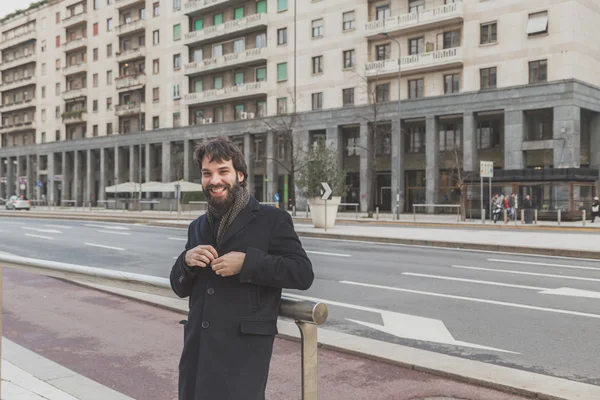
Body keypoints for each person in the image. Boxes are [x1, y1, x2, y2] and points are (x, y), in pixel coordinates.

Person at [170, 137, 314, 400]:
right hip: (198, 352)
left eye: (223, 171)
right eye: (207, 173)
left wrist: (248, 263)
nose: (215, 180)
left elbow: (302, 272)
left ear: (240, 174)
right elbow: (179, 287)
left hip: (243, 355)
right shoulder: (198, 226)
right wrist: (186, 260)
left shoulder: (273, 220)